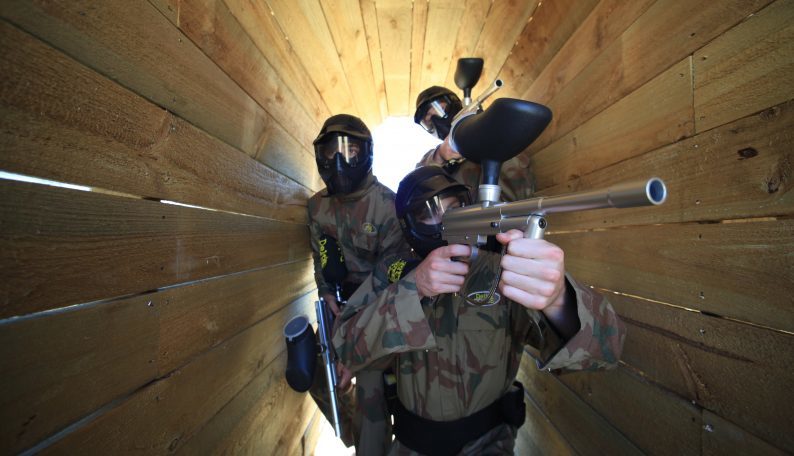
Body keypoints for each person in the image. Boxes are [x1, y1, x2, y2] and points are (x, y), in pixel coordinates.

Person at [333, 166, 626, 455]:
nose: (447, 220)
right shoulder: (392, 272)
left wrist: (558, 299)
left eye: (456, 206)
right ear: (409, 226)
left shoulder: (502, 271)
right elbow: (346, 347)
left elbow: (606, 352)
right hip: (410, 444)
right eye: (429, 213)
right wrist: (414, 288)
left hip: (488, 444)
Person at [308, 113, 407, 454]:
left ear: (366, 154)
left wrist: (355, 346)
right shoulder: (317, 206)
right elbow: (319, 254)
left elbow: (390, 276)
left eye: (350, 151)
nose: (339, 161)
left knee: (369, 392)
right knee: (317, 377)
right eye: (330, 152)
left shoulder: (389, 205)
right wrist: (324, 291)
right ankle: (354, 437)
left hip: (379, 309)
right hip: (339, 302)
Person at [413, 86, 536, 202]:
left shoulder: (497, 131)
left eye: (440, 110)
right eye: (428, 121)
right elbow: (416, 187)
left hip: (509, 216)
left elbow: (521, 190)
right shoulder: (433, 157)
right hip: (466, 221)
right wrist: (439, 156)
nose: (437, 122)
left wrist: (483, 133)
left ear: (455, 104)